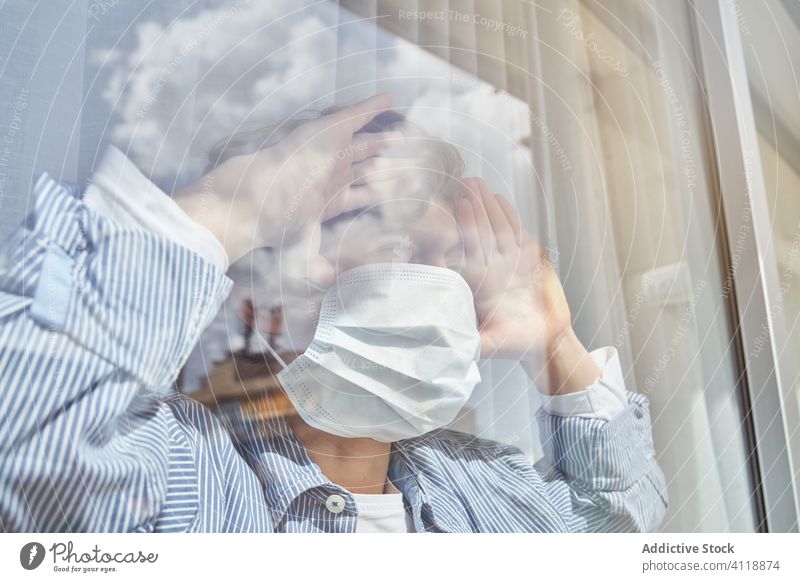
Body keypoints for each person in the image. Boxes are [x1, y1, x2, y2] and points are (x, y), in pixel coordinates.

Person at [0, 94, 668, 533]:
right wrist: (233, 207)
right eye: (401, 246)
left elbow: (617, 521)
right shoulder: (182, 477)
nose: (443, 287)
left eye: (452, 259)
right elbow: (30, 438)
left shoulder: (482, 488)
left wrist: (555, 348)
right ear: (259, 295)